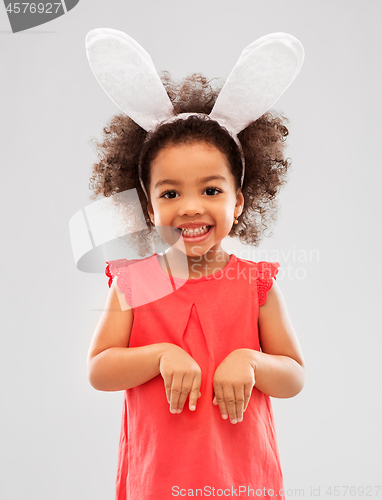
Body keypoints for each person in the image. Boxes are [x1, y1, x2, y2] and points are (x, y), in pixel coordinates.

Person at [84, 29, 305, 500]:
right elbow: (100, 369)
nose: (190, 208)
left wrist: (249, 360)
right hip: (158, 481)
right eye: (169, 193)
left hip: (242, 480)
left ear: (240, 200)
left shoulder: (255, 285)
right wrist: (159, 355)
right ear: (148, 207)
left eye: (211, 190)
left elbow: (293, 375)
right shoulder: (136, 282)